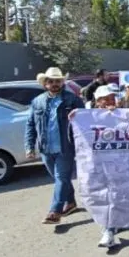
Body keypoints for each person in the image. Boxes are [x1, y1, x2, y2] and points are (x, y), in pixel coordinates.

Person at [25, 67, 85, 225]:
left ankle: (55, 211)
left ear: (62, 82)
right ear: (45, 83)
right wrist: (29, 146)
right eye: (51, 81)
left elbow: (85, 121)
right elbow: (30, 125)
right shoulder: (37, 101)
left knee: (61, 178)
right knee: (60, 179)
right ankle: (70, 203)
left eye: (57, 81)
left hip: (65, 147)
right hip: (45, 148)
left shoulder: (72, 100)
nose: (54, 84)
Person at [91, 86, 123, 249]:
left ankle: (112, 227)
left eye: (112, 98)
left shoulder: (122, 113)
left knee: (118, 194)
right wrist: (74, 119)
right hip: (99, 164)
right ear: (98, 101)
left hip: (121, 164)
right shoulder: (86, 116)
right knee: (105, 196)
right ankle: (109, 230)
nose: (110, 101)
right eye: (106, 99)